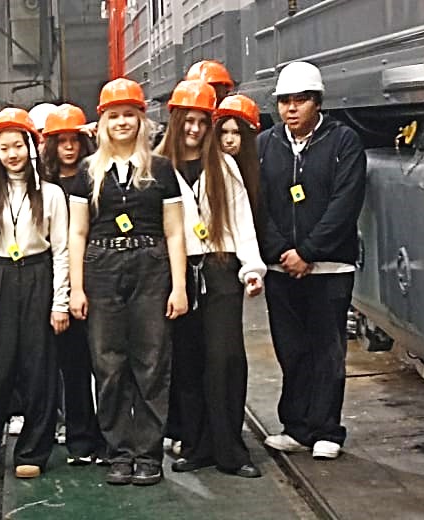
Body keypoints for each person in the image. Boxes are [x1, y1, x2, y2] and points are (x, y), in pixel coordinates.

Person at [66, 78, 188, 487]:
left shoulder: (161, 169)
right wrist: (77, 287)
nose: (121, 122)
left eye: (128, 115)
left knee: (151, 362)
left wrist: (179, 286)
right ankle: (118, 452)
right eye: (114, 115)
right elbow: (77, 233)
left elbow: (175, 231)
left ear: (141, 120)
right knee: (108, 363)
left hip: (151, 266)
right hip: (101, 267)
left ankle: (148, 455)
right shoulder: (88, 172)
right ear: (103, 122)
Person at [154, 80, 266, 478]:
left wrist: (251, 269)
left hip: (220, 269)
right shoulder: (158, 167)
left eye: (203, 122)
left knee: (225, 358)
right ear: (175, 120)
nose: (195, 129)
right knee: (187, 362)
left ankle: (231, 450)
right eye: (189, 120)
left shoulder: (224, 166)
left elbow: (241, 221)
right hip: (178, 273)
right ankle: (196, 446)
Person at [258, 62, 366, 461]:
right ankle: (296, 427)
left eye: (300, 100)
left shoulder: (343, 142)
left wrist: (309, 252)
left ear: (317, 102)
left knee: (327, 351)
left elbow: (345, 202)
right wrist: (281, 251)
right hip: (281, 269)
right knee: (291, 350)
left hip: (329, 269)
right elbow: (257, 203)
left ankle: (326, 430)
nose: (291, 108)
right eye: (284, 101)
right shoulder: (265, 145)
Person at [0, 108, 69, 480]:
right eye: (4, 147)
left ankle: (33, 450)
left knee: (38, 368)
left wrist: (60, 302)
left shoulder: (51, 195)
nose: (12, 154)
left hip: (39, 275)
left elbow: (62, 251)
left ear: (31, 147)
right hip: (0, 277)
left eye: (18, 146)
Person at [40, 103, 105, 465]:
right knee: (72, 365)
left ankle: (105, 436)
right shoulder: (44, 186)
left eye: (74, 140)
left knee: (103, 363)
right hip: (56, 283)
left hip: (94, 278)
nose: (68, 147)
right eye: (61, 140)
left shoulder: (97, 178)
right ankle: (79, 438)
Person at [215, 94, 265, 243]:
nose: (229, 140)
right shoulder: (208, 170)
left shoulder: (262, 169)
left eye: (236, 133)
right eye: (224, 132)